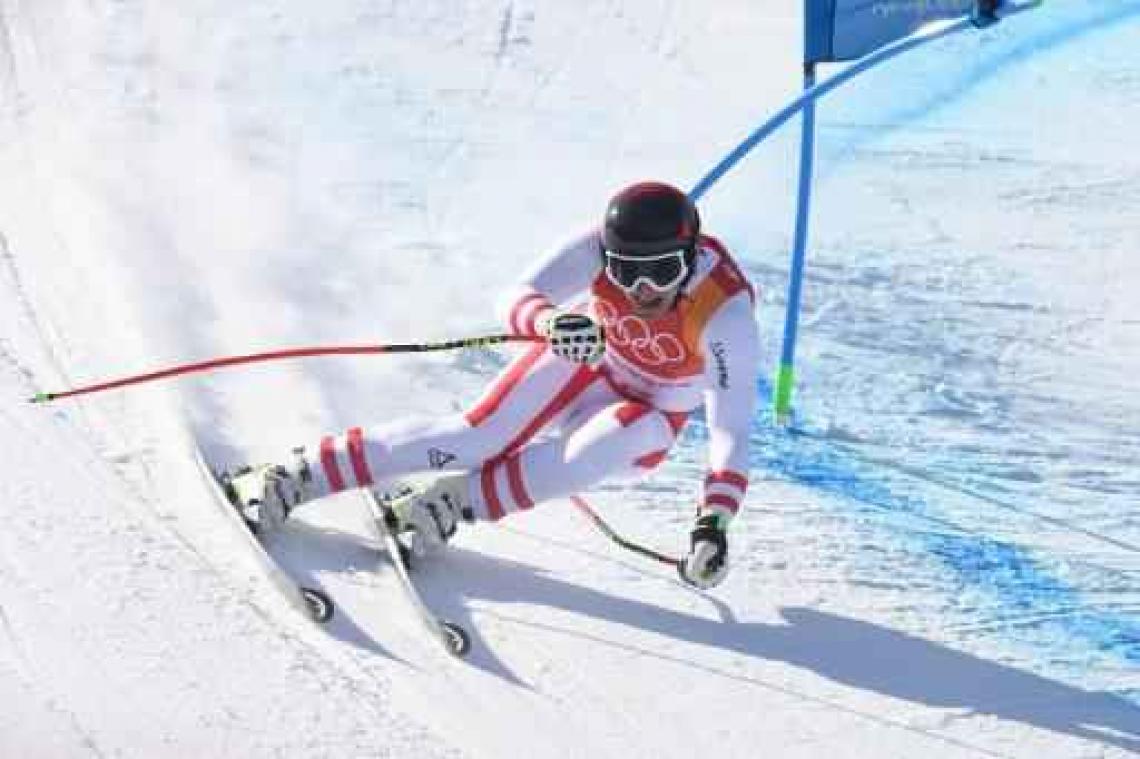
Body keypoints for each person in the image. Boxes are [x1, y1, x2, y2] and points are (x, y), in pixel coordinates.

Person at [227, 181, 761, 589]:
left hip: (651, 411)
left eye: (663, 271)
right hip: (589, 360)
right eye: (627, 273)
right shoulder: (596, 246)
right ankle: (296, 474)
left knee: (593, 452)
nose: (644, 290)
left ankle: (448, 504)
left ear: (690, 258)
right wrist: (550, 322)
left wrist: (713, 520)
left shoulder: (724, 312)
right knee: (475, 438)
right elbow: (517, 291)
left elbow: (731, 427)